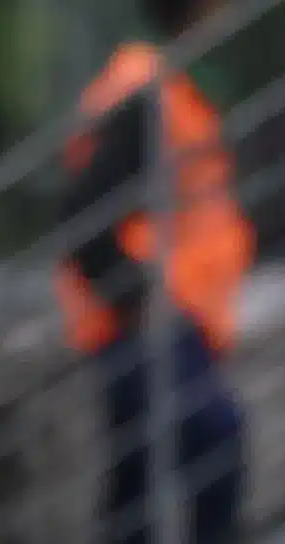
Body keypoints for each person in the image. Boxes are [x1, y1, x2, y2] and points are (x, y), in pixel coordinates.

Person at [56, 1, 254, 542]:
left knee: (140, 481)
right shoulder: (149, 93)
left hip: (160, 314)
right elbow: (85, 214)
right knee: (214, 436)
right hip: (151, 318)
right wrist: (141, 300)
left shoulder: (168, 87)